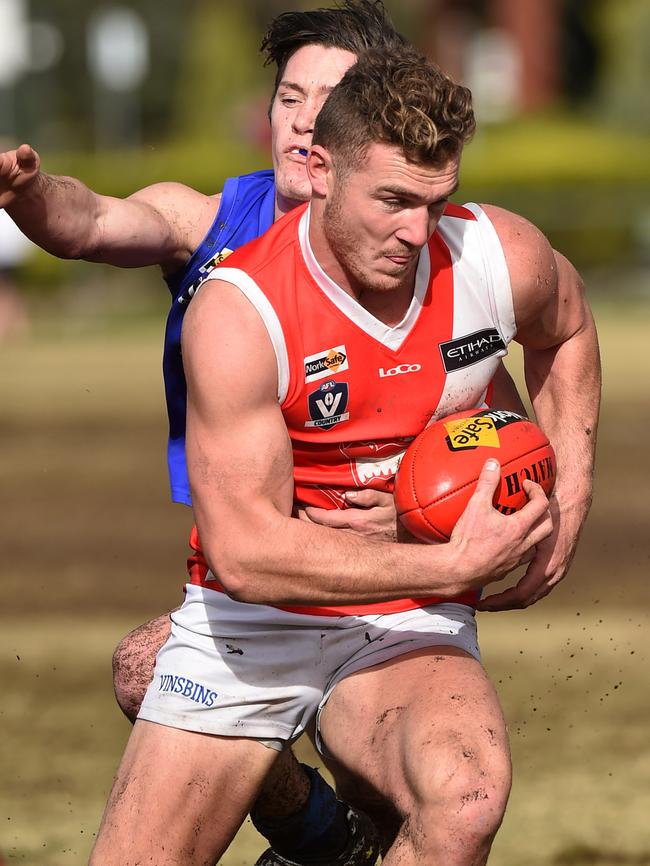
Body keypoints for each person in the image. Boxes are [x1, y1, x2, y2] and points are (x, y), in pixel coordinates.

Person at [87, 46, 600, 866]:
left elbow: (567, 328)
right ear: (319, 169)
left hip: (404, 627)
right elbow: (247, 555)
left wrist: (568, 501)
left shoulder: (491, 256)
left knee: (465, 799)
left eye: (438, 201)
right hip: (251, 624)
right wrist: (446, 561)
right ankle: (314, 837)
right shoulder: (242, 309)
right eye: (393, 199)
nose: (417, 231)